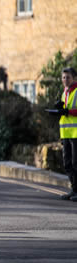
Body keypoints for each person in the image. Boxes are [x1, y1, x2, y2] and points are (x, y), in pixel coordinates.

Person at [56, 67, 77, 201]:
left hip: (76, 134)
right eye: (63, 77)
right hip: (66, 133)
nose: (65, 80)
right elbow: (66, 111)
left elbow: (72, 111)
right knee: (67, 163)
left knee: (76, 163)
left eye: (68, 77)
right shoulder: (65, 92)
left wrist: (67, 112)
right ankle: (74, 190)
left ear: (74, 78)